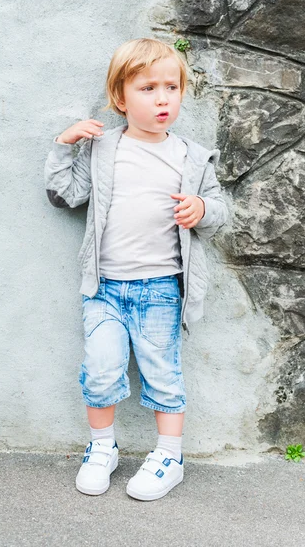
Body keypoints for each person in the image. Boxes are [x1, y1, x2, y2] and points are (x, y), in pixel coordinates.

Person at [44, 37, 228, 501]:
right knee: (101, 369)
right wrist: (64, 146)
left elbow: (223, 212)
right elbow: (65, 195)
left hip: (162, 289)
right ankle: (102, 447)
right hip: (104, 288)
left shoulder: (192, 156)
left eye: (172, 87)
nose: (163, 98)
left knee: (163, 372)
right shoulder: (104, 148)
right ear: (121, 98)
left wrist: (202, 208)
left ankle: (170, 456)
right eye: (148, 88)